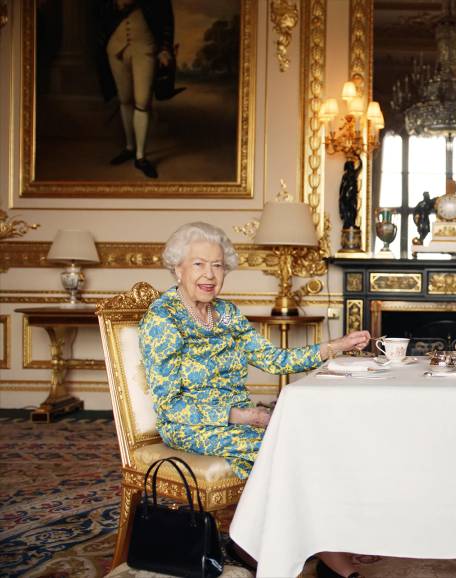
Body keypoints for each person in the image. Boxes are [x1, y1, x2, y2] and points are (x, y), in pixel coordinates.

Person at [139, 222, 369, 578]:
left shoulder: (227, 314)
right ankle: (318, 551)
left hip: (241, 418)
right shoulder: (163, 319)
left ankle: (278, 544)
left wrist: (333, 347)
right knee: (284, 447)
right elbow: (170, 404)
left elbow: (275, 359)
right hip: (189, 424)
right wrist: (240, 416)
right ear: (177, 268)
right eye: (198, 264)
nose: (209, 274)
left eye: (217, 265)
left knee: (304, 441)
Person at [97, 0, 181, 179]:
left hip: (146, 47)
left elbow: (166, 16)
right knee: (125, 99)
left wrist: (165, 48)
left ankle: (140, 156)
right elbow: (98, 11)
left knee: (142, 102)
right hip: (115, 47)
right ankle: (129, 147)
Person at [339, 159, 362, 230]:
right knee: (348, 210)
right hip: (346, 195)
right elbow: (342, 186)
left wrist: (359, 157)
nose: (352, 167)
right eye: (351, 165)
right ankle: (348, 223)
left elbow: (360, 167)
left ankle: (351, 223)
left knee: (353, 209)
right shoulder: (345, 176)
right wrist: (341, 196)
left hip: (352, 196)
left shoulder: (353, 174)